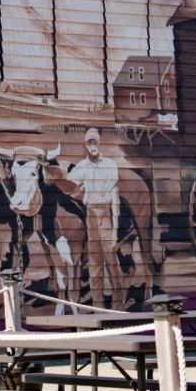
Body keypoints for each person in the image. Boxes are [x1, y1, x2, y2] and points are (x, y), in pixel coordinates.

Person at [67, 127, 119, 309]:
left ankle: (118, 305)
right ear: (86, 145)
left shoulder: (110, 165)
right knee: (95, 263)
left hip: (105, 214)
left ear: (100, 142)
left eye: (95, 142)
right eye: (89, 143)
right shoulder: (82, 166)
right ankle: (98, 306)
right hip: (90, 215)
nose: (93, 146)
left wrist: (115, 230)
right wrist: (78, 190)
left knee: (111, 259)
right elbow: (68, 184)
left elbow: (115, 198)